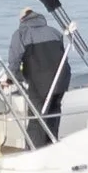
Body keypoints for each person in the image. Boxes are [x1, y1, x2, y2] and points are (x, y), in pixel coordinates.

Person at [6, 7, 68, 142]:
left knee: (36, 118)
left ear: (22, 19)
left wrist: (12, 79)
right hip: (61, 81)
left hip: (39, 83)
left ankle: (36, 152)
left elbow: (14, 61)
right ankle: (52, 146)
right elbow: (62, 57)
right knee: (53, 113)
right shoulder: (55, 32)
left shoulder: (21, 34)